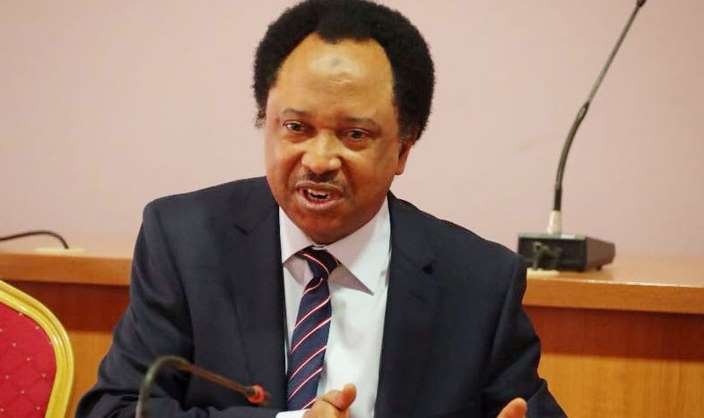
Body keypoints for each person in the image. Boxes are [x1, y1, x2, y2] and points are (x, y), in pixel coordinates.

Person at [77, 1, 566, 417]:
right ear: (266, 122)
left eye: (354, 134)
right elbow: (115, 408)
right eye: (296, 128)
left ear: (403, 149)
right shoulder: (185, 241)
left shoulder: (477, 283)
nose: (318, 160)